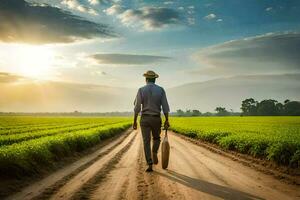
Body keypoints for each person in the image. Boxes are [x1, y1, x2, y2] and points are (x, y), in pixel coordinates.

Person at [133, 70, 170, 172]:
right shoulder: (161, 90)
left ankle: (149, 164)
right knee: (157, 138)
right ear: (155, 79)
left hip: (144, 118)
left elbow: (137, 107)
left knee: (146, 141)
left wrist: (135, 121)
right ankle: (154, 152)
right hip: (156, 118)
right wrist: (167, 120)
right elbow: (165, 106)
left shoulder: (141, 90)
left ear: (146, 79)